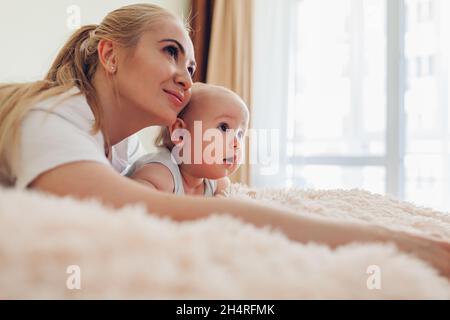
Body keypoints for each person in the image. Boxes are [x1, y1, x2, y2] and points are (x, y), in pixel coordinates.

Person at [0, 4, 448, 278]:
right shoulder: (52, 114)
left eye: (191, 66)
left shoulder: (119, 149)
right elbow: (159, 212)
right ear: (111, 54)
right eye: (170, 51)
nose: (185, 78)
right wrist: (391, 241)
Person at [126, 82, 248, 197]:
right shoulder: (160, 174)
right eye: (223, 127)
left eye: (240, 134)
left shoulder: (217, 183)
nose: (236, 143)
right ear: (180, 134)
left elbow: (231, 203)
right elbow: (133, 203)